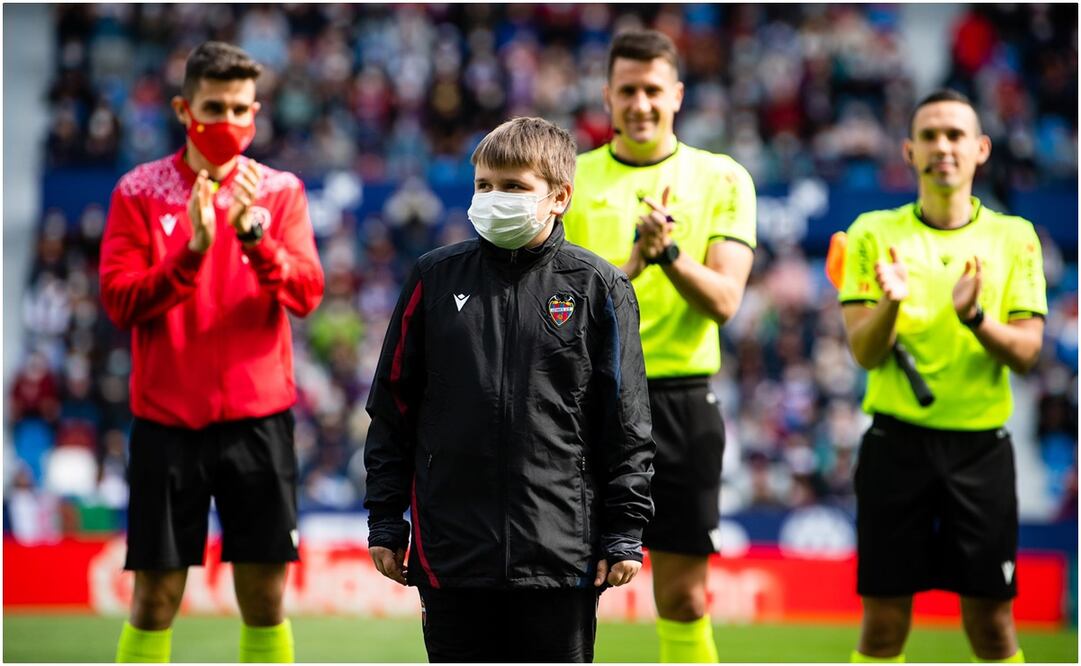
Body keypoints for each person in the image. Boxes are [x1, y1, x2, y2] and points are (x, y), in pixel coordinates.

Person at [364, 116, 655, 663]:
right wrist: (384, 518)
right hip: (451, 554)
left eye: (515, 186)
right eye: (484, 185)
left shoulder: (599, 286)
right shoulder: (433, 277)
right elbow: (392, 410)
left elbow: (626, 422)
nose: (495, 197)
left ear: (560, 197)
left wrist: (624, 530)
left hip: (561, 555)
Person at [99, 41, 324, 663]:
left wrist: (255, 238)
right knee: (154, 598)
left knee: (264, 598)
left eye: (241, 108)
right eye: (214, 107)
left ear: (257, 111)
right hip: (167, 424)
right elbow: (120, 302)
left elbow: (306, 293)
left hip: (259, 423)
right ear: (182, 108)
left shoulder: (279, 192)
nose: (228, 122)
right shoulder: (139, 191)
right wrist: (192, 251)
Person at [561, 29, 757, 662]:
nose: (640, 103)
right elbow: (558, 311)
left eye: (652, 90)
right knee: (566, 584)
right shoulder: (572, 179)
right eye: (627, 91)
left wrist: (668, 253)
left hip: (681, 401)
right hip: (587, 401)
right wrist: (637, 261)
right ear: (607, 96)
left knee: (683, 597)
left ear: (676, 94)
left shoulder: (722, 177)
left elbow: (725, 302)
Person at [838, 89, 1046, 663]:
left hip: (981, 452)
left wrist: (974, 318)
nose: (943, 146)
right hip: (893, 447)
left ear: (980, 149)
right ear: (909, 150)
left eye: (955, 135)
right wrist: (890, 305)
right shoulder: (871, 232)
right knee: (882, 629)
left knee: (992, 627)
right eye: (929, 135)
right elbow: (864, 352)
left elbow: (1027, 354)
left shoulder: (1015, 237)